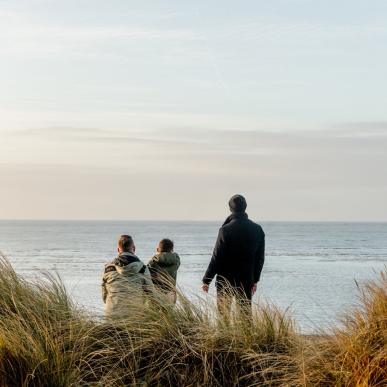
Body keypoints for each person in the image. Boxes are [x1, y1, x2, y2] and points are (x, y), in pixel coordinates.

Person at [202, 194, 265, 316]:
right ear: (245, 207)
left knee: (223, 317)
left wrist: (207, 280)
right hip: (246, 279)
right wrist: (255, 280)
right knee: (245, 316)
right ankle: (247, 336)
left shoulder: (225, 230)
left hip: (225, 280)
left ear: (230, 209)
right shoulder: (257, 229)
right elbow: (260, 258)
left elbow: (217, 257)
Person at [102, 235, 154, 320]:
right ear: (134, 248)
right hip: (135, 316)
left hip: (112, 315)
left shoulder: (108, 268)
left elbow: (104, 296)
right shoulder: (143, 269)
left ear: (118, 250)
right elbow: (151, 294)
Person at [147, 238, 180, 304]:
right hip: (171, 293)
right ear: (172, 249)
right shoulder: (176, 261)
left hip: (156, 293)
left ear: (157, 249)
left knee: (154, 313)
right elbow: (176, 255)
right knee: (169, 314)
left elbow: (146, 276)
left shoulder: (152, 262)